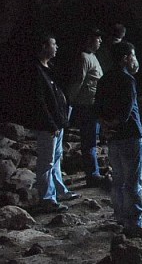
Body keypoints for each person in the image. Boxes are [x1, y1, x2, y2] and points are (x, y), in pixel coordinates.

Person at [95, 41, 142, 236]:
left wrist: (106, 126)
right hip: (130, 135)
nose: (134, 60)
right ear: (125, 58)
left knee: (118, 179)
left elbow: (98, 108)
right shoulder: (128, 80)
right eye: (132, 56)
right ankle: (135, 222)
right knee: (133, 181)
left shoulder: (104, 79)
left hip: (113, 137)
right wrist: (115, 125)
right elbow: (126, 111)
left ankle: (120, 217)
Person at [21, 34, 78, 213]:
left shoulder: (49, 68)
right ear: (44, 46)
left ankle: (60, 190)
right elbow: (39, 102)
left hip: (57, 122)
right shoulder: (35, 70)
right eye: (54, 44)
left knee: (57, 158)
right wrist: (51, 124)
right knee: (47, 161)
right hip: (48, 125)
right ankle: (47, 198)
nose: (57, 47)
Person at [68, 28, 105, 187]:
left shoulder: (92, 56)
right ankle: (92, 175)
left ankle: (94, 171)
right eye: (98, 38)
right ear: (90, 39)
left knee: (92, 140)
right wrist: (70, 101)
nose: (101, 41)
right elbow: (78, 81)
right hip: (87, 106)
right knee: (89, 141)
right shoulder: (84, 57)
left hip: (93, 104)